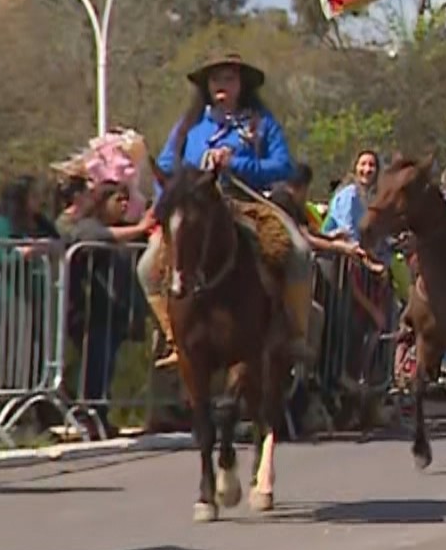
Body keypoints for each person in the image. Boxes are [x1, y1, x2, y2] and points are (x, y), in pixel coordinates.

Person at [141, 53, 312, 369]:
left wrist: (236, 162)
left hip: (248, 204)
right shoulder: (189, 126)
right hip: (194, 210)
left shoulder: (261, 124)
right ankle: (172, 336)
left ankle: (296, 335)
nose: (222, 85)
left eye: (229, 78)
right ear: (206, 86)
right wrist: (164, 203)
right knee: (147, 265)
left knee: (299, 251)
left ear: (241, 84)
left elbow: (282, 166)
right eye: (215, 79)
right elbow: (164, 167)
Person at [61, 183, 153, 421]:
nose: (124, 204)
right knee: (94, 367)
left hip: (116, 313)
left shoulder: (124, 229)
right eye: (118, 199)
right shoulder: (88, 225)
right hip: (92, 312)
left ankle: (101, 414)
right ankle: (87, 416)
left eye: (126, 199)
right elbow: (93, 237)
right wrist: (140, 226)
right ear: (102, 202)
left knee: (106, 369)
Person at [321, 150, 380, 243]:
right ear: (355, 168)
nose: (367, 169)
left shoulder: (373, 198)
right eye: (363, 164)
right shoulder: (349, 193)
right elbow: (347, 230)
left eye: (371, 165)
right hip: (334, 249)